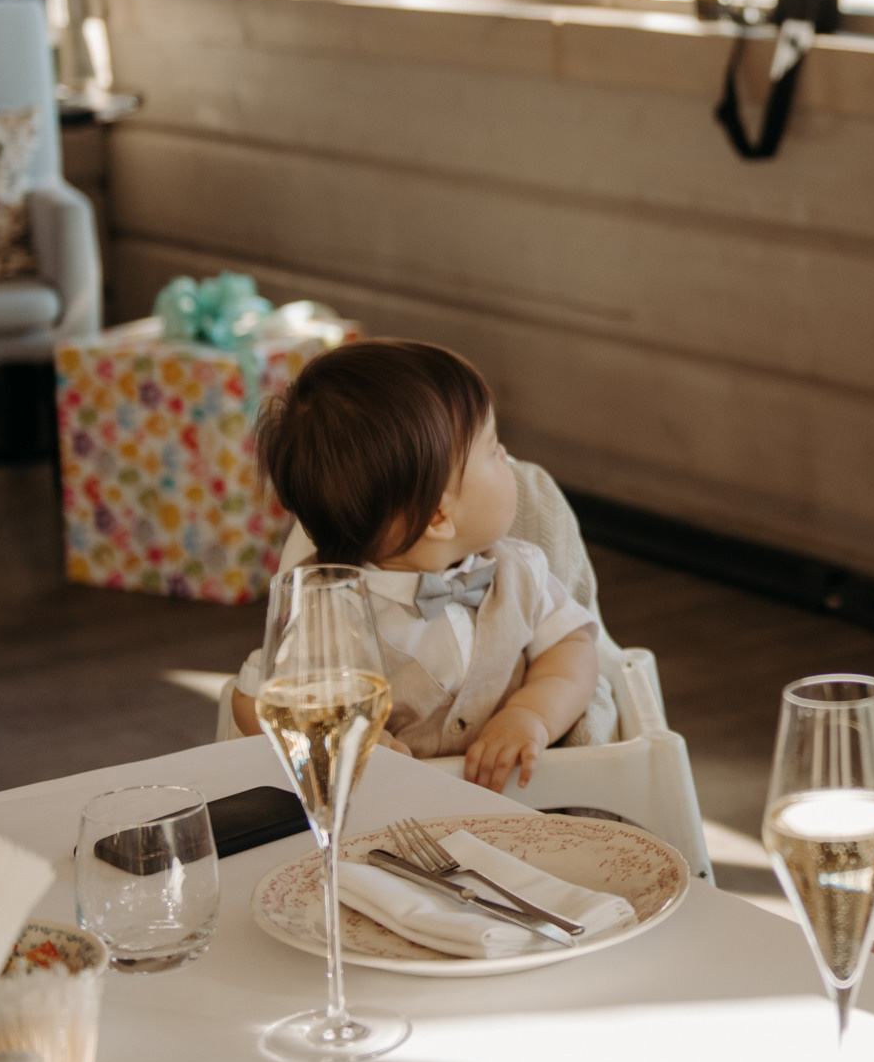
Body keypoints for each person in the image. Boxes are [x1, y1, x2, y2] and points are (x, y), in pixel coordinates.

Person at [230, 340, 603, 794]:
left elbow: (572, 649)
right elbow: (253, 700)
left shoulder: (520, 569)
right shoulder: (329, 609)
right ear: (438, 518)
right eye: (492, 449)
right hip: (392, 818)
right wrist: (337, 739)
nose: (507, 456)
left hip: (521, 801)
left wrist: (531, 714)